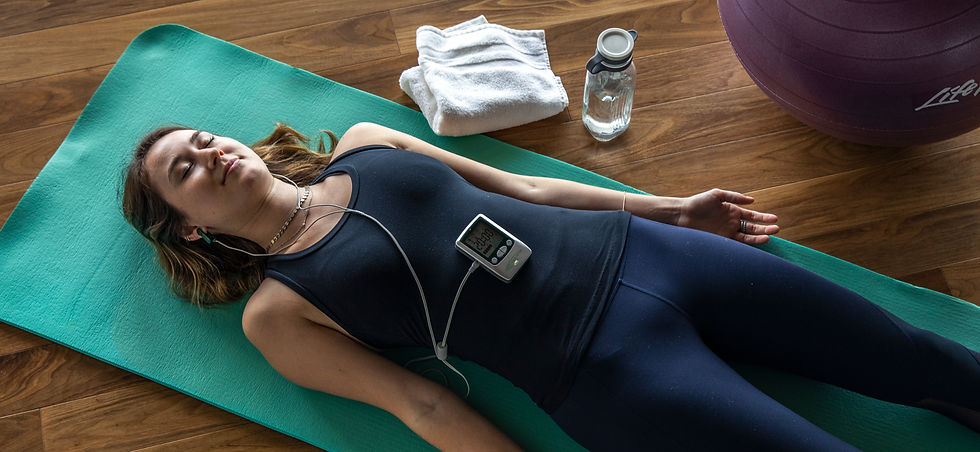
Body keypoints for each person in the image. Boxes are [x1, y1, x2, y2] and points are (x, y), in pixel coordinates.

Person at [122, 121, 980, 451]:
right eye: (185, 171)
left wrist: (674, 210)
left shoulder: (367, 142)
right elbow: (423, 408)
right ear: (190, 228)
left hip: (648, 254)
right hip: (602, 373)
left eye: (203, 137)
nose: (210, 153)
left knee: (924, 358)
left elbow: (525, 191)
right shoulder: (279, 312)